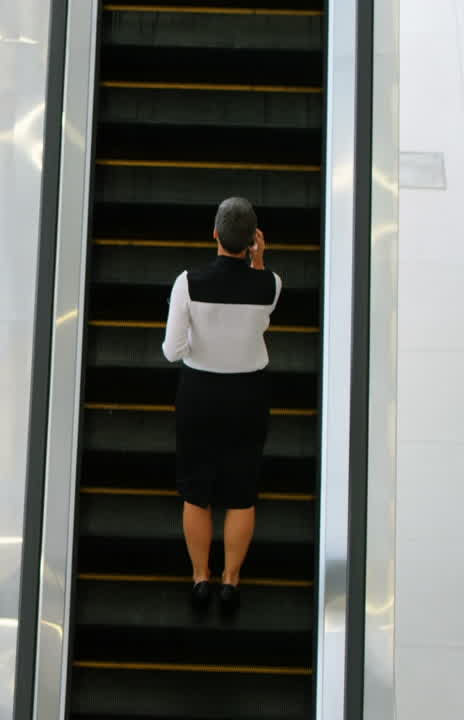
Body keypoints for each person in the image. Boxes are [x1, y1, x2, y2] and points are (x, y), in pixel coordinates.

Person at [161, 196, 281, 614]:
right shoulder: (270, 284)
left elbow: (172, 352)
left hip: (199, 393)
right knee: (241, 491)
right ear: (253, 241)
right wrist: (260, 263)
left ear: (214, 233)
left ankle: (200, 577)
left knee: (197, 492)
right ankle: (231, 580)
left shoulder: (188, 283)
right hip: (249, 394)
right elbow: (261, 308)